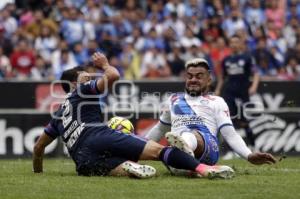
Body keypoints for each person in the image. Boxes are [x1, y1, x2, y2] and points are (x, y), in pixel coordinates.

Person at [33, 52, 237, 179]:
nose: (91, 80)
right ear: (75, 84)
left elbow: (39, 147)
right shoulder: (82, 90)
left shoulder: (58, 114)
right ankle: (203, 169)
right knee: (160, 152)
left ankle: (127, 167)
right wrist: (104, 65)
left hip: (82, 160)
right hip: (98, 135)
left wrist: (38, 173)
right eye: (86, 78)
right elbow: (113, 75)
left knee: (109, 165)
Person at [145, 57, 276, 175]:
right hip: (178, 147)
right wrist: (136, 149)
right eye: (189, 76)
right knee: (173, 141)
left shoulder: (217, 101)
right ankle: (184, 162)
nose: (193, 80)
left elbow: (230, 134)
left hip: (208, 151)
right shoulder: (174, 99)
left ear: (209, 79)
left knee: (188, 135)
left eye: (199, 76)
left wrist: (248, 155)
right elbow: (160, 129)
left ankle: (181, 155)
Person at [214, 35, 260, 159]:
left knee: (244, 121)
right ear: (229, 45)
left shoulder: (247, 58)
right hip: (229, 93)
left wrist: (254, 86)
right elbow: (222, 77)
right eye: (232, 42)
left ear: (240, 44)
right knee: (229, 121)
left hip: (242, 93)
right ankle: (230, 151)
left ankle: (253, 146)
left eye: (236, 42)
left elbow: (255, 73)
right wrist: (218, 89)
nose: (234, 44)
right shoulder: (226, 60)